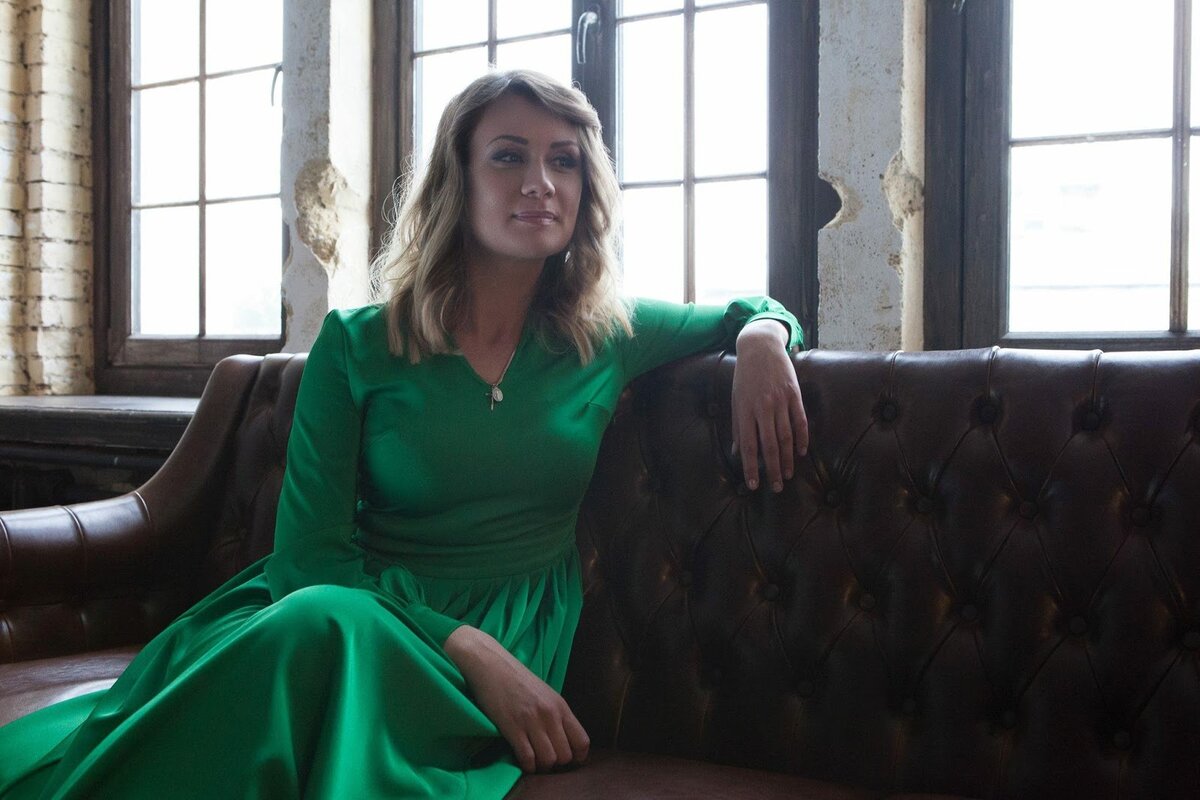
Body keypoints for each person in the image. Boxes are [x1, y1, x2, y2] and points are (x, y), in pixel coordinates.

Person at [0, 69, 807, 799]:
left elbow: (756, 309)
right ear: (458, 179)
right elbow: (309, 562)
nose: (541, 182)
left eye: (564, 161)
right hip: (351, 613)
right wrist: (465, 648)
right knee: (314, 624)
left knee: (312, 638)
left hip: (512, 634)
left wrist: (764, 341)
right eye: (509, 156)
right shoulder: (356, 344)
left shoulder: (609, 335)